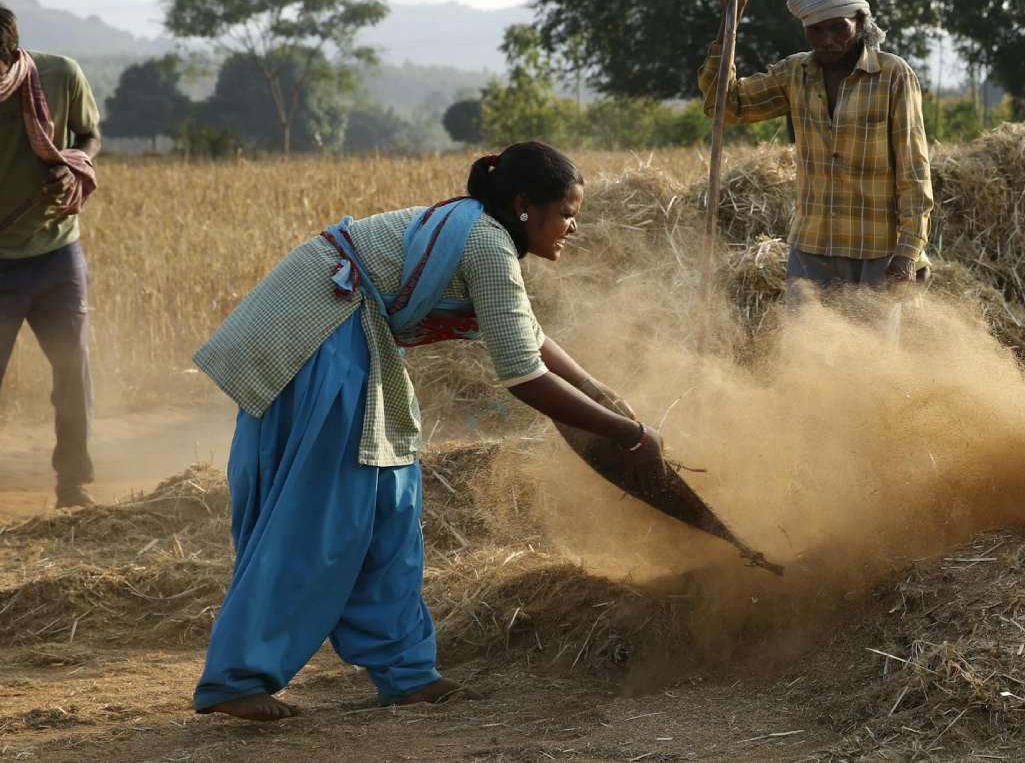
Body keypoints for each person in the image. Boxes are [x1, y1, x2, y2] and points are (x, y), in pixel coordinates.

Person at [189, 141, 669, 721]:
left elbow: (531, 336)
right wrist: (629, 435)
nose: (574, 226)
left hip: (343, 329)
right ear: (524, 205)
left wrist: (608, 402)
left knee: (390, 503)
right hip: (320, 329)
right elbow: (524, 376)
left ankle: (406, 672)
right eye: (568, 212)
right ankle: (237, 677)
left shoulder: (485, 235)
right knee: (322, 513)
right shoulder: (487, 242)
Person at [700, 0, 934, 308]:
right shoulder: (796, 74)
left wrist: (909, 251)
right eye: (815, 30)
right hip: (811, 249)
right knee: (804, 352)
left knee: (870, 357)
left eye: (838, 28)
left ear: (859, 21)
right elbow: (724, 105)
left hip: (875, 251)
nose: (827, 39)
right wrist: (730, 20)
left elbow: (914, 170)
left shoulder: (892, 75)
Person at [0, 2, 102, 509]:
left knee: (72, 369)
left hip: (57, 253)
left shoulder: (60, 75)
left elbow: (89, 133)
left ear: (10, 56)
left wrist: (73, 163)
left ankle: (72, 483)